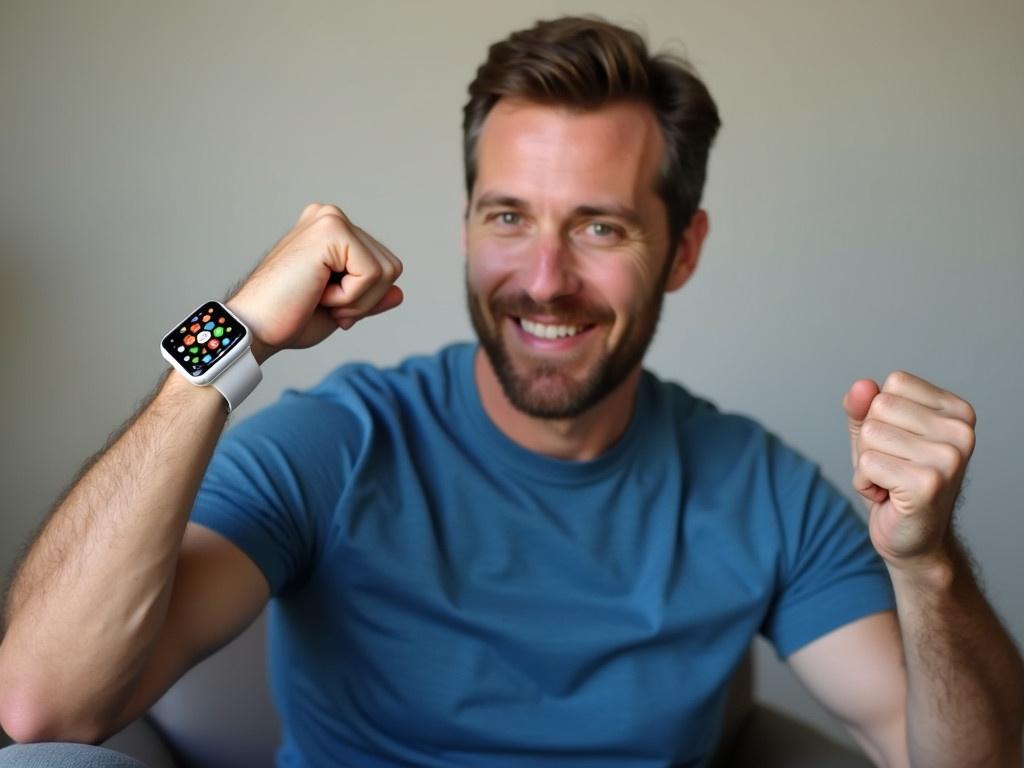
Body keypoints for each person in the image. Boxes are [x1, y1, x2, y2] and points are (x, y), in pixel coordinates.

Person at [1, 14, 1021, 768]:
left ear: (681, 249)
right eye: (507, 217)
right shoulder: (335, 443)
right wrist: (227, 338)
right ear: (463, 224)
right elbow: (42, 707)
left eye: (599, 226)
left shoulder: (759, 492)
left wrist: (926, 565)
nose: (542, 277)